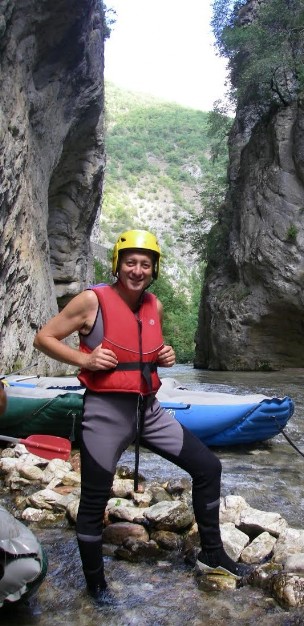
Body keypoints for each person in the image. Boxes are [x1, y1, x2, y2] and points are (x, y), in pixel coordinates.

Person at [33, 229, 251, 600]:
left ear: (154, 270)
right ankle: (96, 586)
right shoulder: (91, 300)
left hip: (149, 411)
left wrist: (163, 355)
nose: (137, 270)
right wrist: (85, 359)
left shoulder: (155, 306)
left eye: (145, 264)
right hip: (106, 413)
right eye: (130, 262)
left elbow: (146, 352)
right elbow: (45, 338)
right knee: (93, 501)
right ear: (118, 264)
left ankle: (212, 554)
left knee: (208, 468)